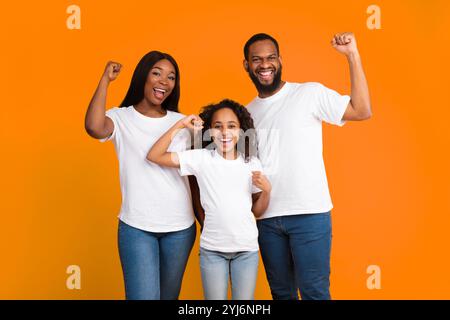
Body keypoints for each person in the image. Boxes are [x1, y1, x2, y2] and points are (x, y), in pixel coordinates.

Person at [243, 32, 372, 300]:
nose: (264, 65)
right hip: (266, 219)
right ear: (246, 65)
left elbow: (361, 110)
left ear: (280, 60)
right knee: (281, 294)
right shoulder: (245, 114)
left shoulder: (308, 93)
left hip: (309, 214)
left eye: (270, 58)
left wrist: (352, 56)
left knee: (314, 293)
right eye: (256, 59)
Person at [84, 51, 198, 300]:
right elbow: (93, 127)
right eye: (156, 73)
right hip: (137, 227)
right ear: (143, 76)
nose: (164, 82)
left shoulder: (183, 122)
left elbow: (200, 173)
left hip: (180, 228)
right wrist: (105, 80)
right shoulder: (121, 117)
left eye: (171, 77)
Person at [147, 99, 272, 300]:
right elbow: (154, 155)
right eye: (217, 127)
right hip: (212, 250)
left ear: (241, 131)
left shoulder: (251, 163)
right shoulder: (201, 158)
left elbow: (257, 212)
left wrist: (266, 191)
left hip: (246, 249)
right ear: (209, 131)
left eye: (231, 126)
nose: (224, 133)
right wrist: (180, 124)